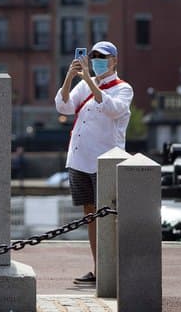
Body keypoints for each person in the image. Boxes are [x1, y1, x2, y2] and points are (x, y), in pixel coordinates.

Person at [54, 40, 133, 285]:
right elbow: (63, 106)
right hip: (80, 159)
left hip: (105, 161)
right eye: (95, 56)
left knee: (106, 215)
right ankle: (98, 269)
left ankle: (112, 270)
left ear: (114, 61)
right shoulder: (85, 86)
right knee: (89, 214)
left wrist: (88, 80)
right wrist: (70, 76)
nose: (98, 60)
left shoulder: (123, 88)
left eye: (103, 57)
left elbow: (112, 109)